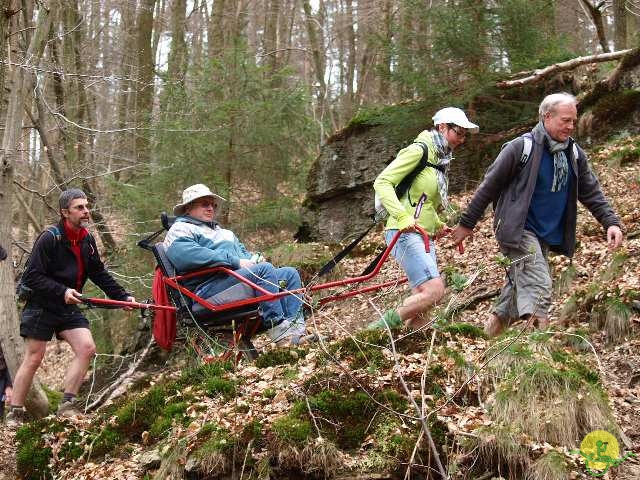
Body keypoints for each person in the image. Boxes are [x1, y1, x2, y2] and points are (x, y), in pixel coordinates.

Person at [450, 92, 623, 337]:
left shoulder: (573, 154)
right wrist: (467, 223)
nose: (571, 126)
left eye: (573, 120)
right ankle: (538, 350)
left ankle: (485, 343)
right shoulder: (522, 147)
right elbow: (489, 185)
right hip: (518, 230)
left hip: (545, 233)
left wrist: (610, 222)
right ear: (546, 116)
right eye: (565, 120)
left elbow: (590, 191)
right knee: (539, 286)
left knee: (513, 295)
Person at [5, 189, 135, 427]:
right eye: (79, 208)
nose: (86, 212)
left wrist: (123, 296)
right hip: (41, 304)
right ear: (65, 212)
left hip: (68, 306)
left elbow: (98, 273)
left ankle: (66, 405)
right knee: (34, 357)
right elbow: (31, 277)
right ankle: (15, 412)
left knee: (86, 348)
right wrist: (62, 291)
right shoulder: (49, 238)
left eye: (86, 207)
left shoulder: (87, 239)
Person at [370, 107, 479, 330]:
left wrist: (438, 225)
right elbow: (382, 182)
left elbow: (423, 202)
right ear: (442, 127)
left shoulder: (440, 160)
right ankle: (373, 332)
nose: (462, 138)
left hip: (422, 234)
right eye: (458, 132)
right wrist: (401, 217)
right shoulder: (419, 151)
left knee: (425, 301)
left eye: (465, 134)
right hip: (403, 232)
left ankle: (405, 347)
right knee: (434, 291)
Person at [164, 184, 309, 345]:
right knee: (264, 271)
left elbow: (244, 256)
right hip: (206, 291)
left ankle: (297, 333)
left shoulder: (225, 233)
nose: (211, 208)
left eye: (213, 204)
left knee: (289, 274)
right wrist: (235, 261)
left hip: (236, 281)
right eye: (205, 204)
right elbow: (187, 256)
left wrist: (253, 259)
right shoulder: (179, 229)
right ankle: (281, 334)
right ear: (189, 207)